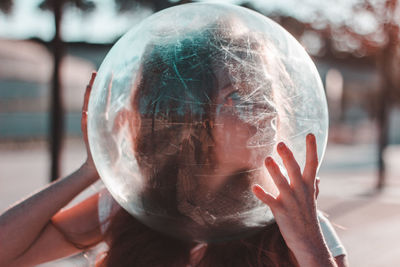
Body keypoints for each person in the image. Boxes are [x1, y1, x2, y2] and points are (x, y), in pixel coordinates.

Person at [0, 24, 348, 266]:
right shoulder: (133, 208)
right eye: (238, 95)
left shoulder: (300, 225)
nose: (268, 109)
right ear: (190, 115)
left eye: (265, 91)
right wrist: (90, 170)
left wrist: (310, 248)